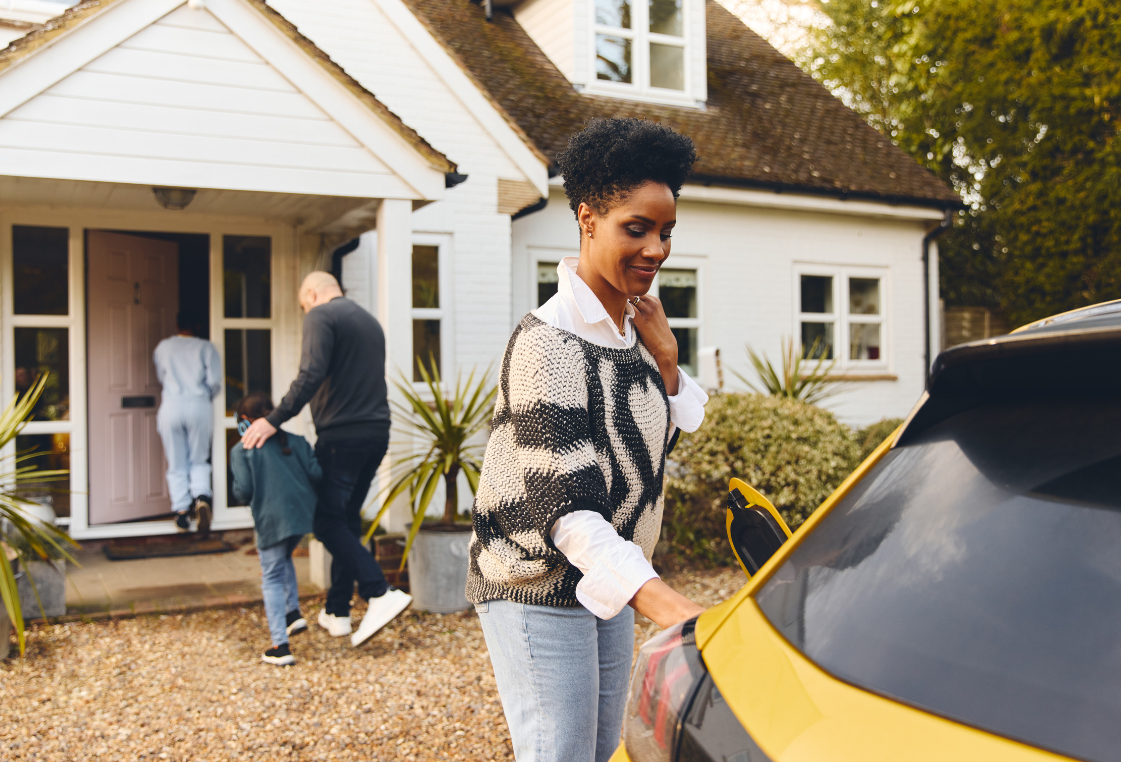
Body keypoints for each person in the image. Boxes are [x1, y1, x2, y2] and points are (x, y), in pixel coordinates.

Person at [466, 118, 710, 762]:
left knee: (599, 753)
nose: (656, 249)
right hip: (538, 579)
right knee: (561, 752)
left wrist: (666, 361)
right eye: (637, 228)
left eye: (666, 232)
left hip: (606, 579)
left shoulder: (633, 333)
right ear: (587, 218)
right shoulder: (546, 342)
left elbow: (646, 463)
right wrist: (671, 605)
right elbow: (570, 507)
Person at [239, 271, 412, 648]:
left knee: (326, 520)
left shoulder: (320, 315)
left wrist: (272, 420)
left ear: (313, 294)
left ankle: (380, 593)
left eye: (304, 305)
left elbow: (310, 374)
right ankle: (337, 611)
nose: (306, 312)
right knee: (347, 520)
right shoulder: (369, 321)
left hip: (342, 437)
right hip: (376, 433)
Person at [230, 392, 321, 667]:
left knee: (270, 577)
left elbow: (243, 492)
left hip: (270, 519)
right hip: (301, 518)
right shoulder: (296, 441)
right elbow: (317, 474)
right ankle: (293, 613)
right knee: (283, 560)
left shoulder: (242, 449)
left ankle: (279, 646)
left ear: (246, 422)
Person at [153, 311, 221, 533]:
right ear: (199, 325)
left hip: (172, 405)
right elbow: (215, 382)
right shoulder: (206, 348)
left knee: (176, 461)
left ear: (177, 324)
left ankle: (181, 512)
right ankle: (201, 497)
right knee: (199, 458)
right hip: (199, 404)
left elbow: (161, 376)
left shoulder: (163, 347)